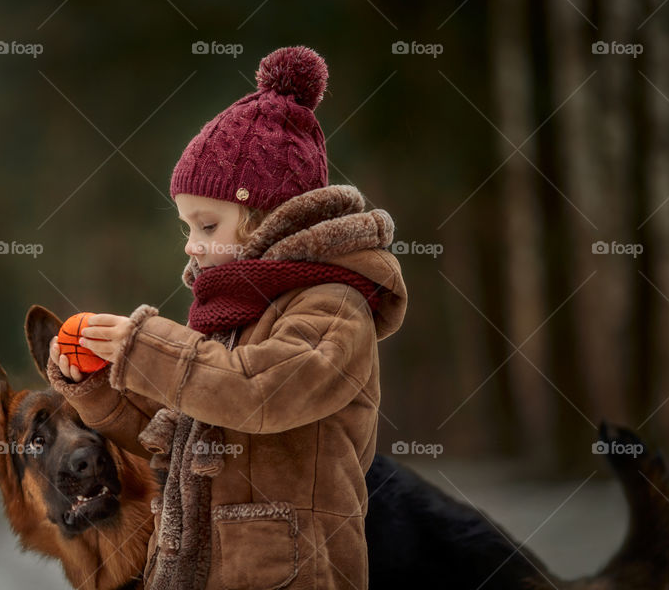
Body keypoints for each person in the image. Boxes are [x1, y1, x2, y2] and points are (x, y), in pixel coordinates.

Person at [47, 45, 407, 590]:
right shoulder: (228, 316)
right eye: (185, 228)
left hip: (293, 572)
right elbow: (176, 431)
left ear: (267, 217)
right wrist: (97, 385)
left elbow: (259, 390)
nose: (191, 246)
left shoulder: (335, 306)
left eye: (208, 226)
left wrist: (144, 347)